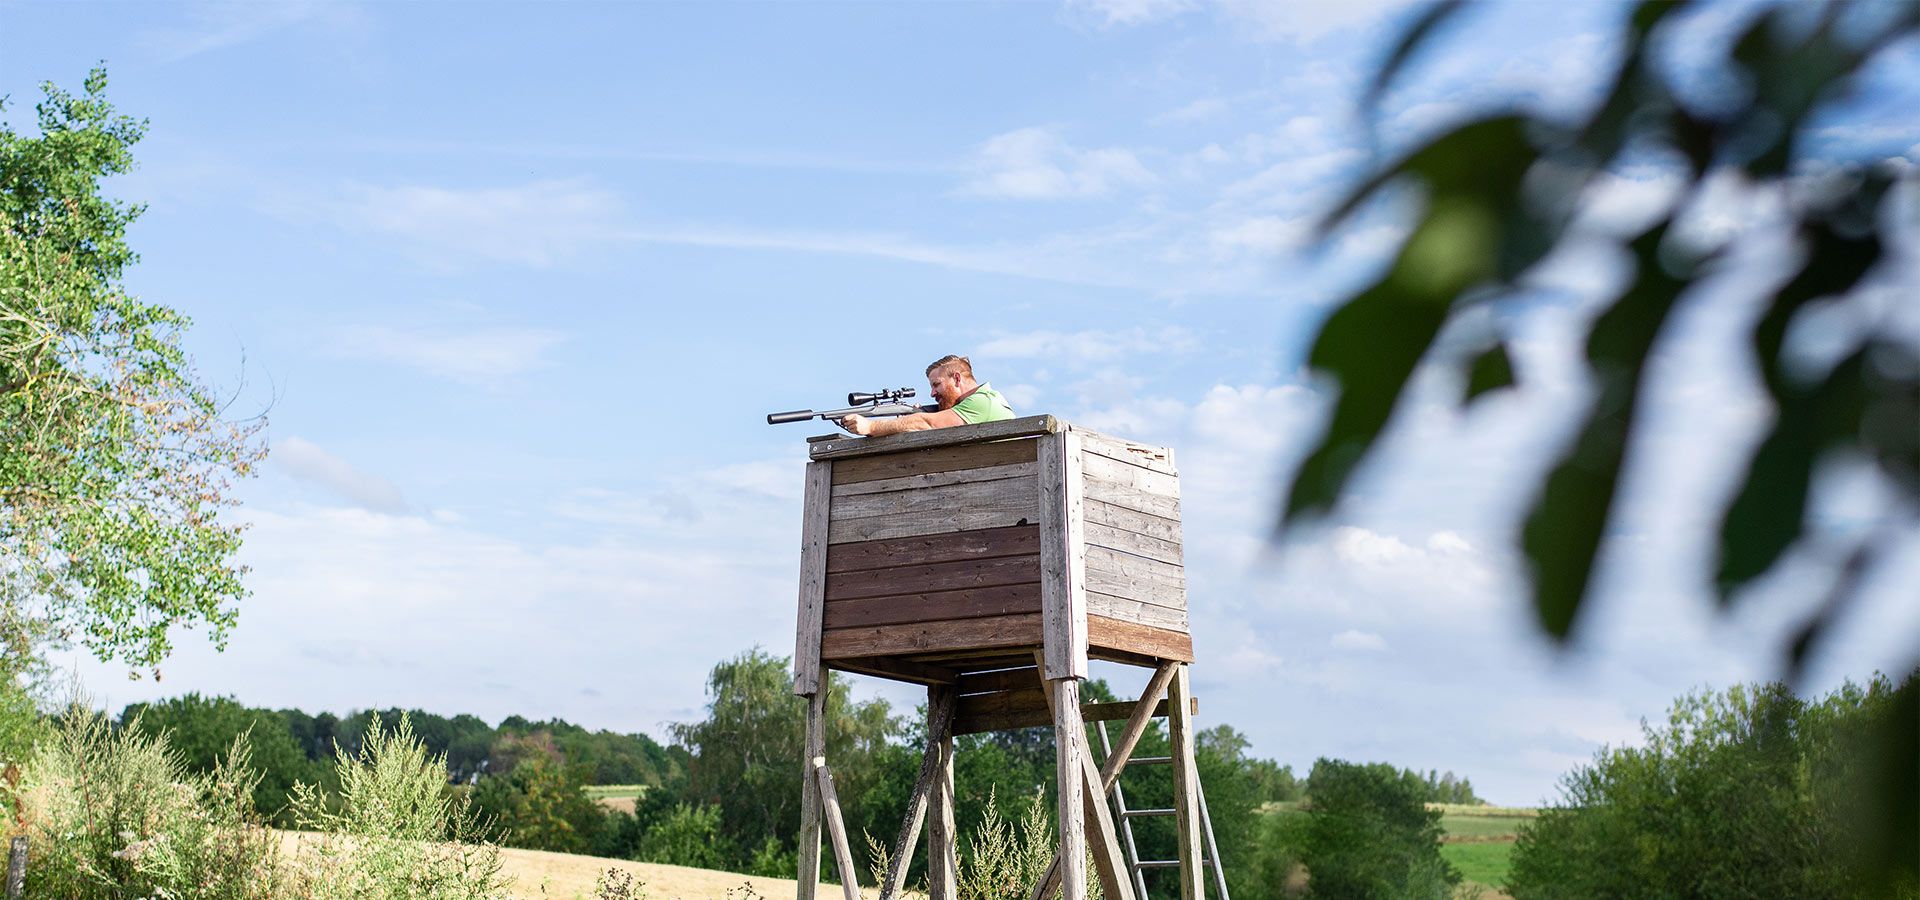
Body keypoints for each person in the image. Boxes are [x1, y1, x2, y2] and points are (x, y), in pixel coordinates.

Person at [838, 355, 1014, 437]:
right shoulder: (987, 398)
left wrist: (870, 427)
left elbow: (927, 423)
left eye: (936, 385)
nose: (932, 393)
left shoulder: (983, 401)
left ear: (957, 379)